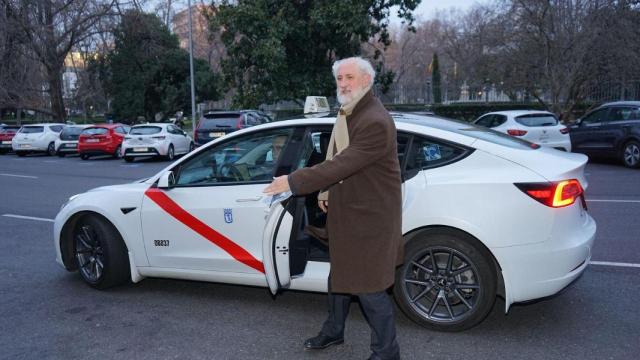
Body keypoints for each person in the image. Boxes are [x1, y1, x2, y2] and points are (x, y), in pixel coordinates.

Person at [263, 56, 403, 360]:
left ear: (366, 80)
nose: (342, 84)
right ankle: (334, 330)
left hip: (370, 218)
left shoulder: (374, 121)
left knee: (370, 287)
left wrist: (292, 181)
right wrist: (326, 192)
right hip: (349, 210)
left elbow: (343, 163)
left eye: (349, 78)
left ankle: (387, 352)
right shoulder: (351, 112)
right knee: (339, 274)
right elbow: (335, 155)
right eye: (339, 78)